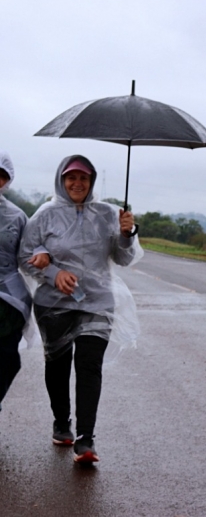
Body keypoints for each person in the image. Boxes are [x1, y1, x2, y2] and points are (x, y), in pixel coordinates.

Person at [19, 154, 141, 464]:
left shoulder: (107, 214)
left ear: (92, 182)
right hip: (54, 304)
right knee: (57, 365)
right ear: (61, 180)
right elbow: (25, 257)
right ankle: (62, 422)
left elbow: (124, 259)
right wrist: (52, 273)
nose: (77, 183)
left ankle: (86, 440)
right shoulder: (44, 216)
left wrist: (127, 234)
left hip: (97, 302)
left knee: (89, 366)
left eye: (83, 178)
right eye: (71, 177)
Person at [0, 150, 37, 413]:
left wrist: (48, 261)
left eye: (1, 176)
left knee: (7, 360)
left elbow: (27, 256)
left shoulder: (17, 216)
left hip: (8, 301)